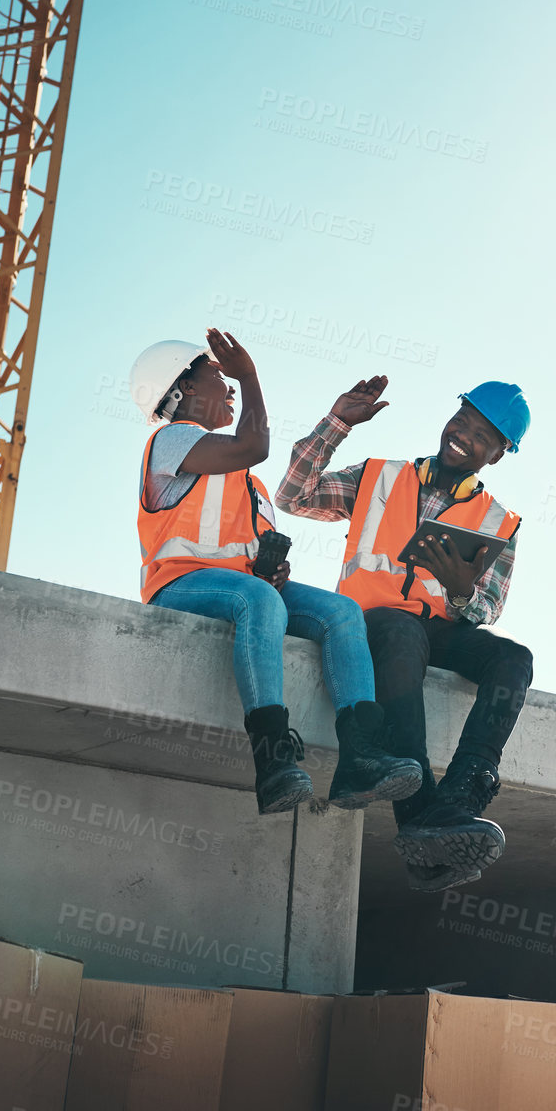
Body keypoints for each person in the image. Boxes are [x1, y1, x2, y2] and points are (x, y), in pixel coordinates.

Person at [128, 329, 420, 818]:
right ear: (185, 391)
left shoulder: (251, 485)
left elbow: (251, 553)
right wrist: (250, 372)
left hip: (240, 587)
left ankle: (361, 758)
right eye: (219, 377)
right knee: (256, 600)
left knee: (342, 612)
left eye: (233, 378)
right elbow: (254, 443)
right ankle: (273, 760)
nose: (232, 387)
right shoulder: (170, 439)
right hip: (177, 585)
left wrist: (275, 570)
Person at [276, 375, 532, 893]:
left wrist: (461, 592)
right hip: (369, 625)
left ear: (497, 455)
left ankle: (461, 797)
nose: (464, 434)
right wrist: (338, 422)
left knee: (514, 658)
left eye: (483, 435)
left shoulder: (499, 521)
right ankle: (421, 810)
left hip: (437, 630)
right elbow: (293, 495)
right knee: (399, 629)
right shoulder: (378, 477)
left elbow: (489, 605)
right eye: (462, 418)